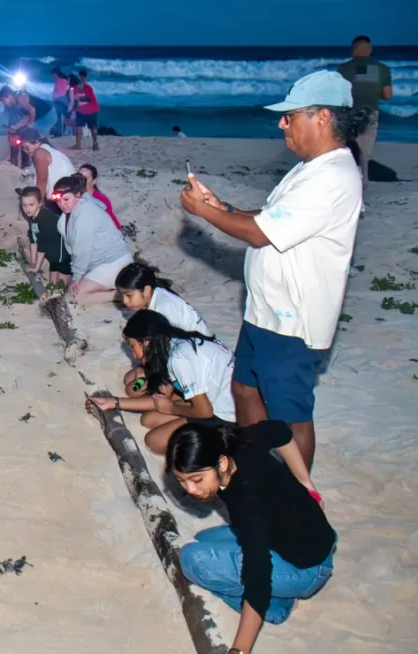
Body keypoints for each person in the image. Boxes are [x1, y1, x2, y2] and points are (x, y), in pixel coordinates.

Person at [179, 70, 366, 470]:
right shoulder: (310, 167)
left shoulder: (331, 177)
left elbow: (260, 234)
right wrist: (220, 205)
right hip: (265, 310)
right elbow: (269, 217)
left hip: (293, 321)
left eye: (290, 115)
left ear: (322, 118)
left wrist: (205, 213)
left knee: (290, 415)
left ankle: (298, 498)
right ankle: (258, 470)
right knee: (245, 389)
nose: (282, 122)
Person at [167, 421, 335, 653]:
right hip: (307, 536)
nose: (191, 490)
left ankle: (278, 608)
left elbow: (258, 581)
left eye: (196, 479)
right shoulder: (237, 440)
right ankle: (282, 591)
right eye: (181, 480)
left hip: (307, 567)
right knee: (203, 539)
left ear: (222, 463)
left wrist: (239, 650)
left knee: (193, 561)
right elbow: (281, 432)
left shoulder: (248, 504)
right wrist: (306, 483)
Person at [87, 310, 236, 453]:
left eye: (133, 347)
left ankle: (219, 447)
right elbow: (158, 400)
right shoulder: (174, 344)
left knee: (154, 441)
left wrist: (172, 408)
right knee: (148, 419)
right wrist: (113, 402)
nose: (133, 354)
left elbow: (204, 411)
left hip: (227, 416)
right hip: (216, 400)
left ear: (146, 342)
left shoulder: (179, 359)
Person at [116, 261, 211, 397]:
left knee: (133, 390)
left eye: (129, 295)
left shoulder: (165, 309)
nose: (124, 301)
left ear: (147, 291)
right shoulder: (157, 295)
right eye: (122, 295)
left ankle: (174, 394)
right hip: (174, 357)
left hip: (190, 364)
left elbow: (168, 352)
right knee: (130, 378)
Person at [52, 174, 133, 303]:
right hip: (95, 264)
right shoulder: (71, 211)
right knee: (72, 291)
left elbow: (82, 249)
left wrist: (77, 277)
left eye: (66, 199)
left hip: (112, 263)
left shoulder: (86, 211)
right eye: (58, 201)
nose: (62, 204)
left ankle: (122, 295)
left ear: (78, 194)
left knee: (74, 297)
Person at [337, 35, 393, 190]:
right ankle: (363, 180)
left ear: (353, 50)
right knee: (364, 152)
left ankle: (346, 180)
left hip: (348, 113)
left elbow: (337, 94)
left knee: (348, 150)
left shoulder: (343, 69)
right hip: (370, 112)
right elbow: (388, 95)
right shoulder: (382, 69)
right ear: (369, 50)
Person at [19, 186, 71, 286]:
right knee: (52, 286)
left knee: (60, 287)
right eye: (24, 205)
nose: (27, 209)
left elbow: (42, 246)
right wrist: (33, 263)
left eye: (31, 205)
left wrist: (36, 268)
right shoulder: (33, 218)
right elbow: (33, 240)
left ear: (40, 203)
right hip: (53, 258)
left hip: (63, 257)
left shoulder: (46, 218)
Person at [17, 128, 75, 195]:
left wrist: (38, 202)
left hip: (63, 194)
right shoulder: (48, 149)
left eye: (27, 148)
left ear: (37, 142)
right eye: (23, 149)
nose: (26, 151)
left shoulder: (39, 153)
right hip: (68, 191)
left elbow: (42, 181)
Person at [0, 85, 38, 168]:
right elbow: (13, 119)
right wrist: (11, 128)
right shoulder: (10, 106)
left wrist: (29, 125)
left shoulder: (21, 98)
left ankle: (25, 165)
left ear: (8, 96)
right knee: (14, 138)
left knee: (25, 140)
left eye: (3, 100)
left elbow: (31, 112)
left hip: (41, 117)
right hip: (26, 120)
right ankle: (14, 162)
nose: (3, 103)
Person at [77, 163, 121, 230]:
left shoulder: (100, 201)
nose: (81, 180)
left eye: (85, 178)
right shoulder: (73, 194)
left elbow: (111, 225)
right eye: (79, 176)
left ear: (94, 181)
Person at [72, 68, 100, 151]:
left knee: (89, 128)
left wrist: (77, 103)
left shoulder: (87, 88)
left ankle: (92, 144)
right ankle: (80, 144)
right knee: (82, 127)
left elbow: (87, 99)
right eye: (82, 77)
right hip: (85, 110)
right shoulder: (84, 87)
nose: (82, 79)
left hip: (90, 110)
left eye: (82, 77)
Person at [51, 68, 72, 137]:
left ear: (56, 74)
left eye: (53, 74)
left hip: (58, 100)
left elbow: (57, 92)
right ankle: (73, 132)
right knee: (67, 116)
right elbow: (67, 90)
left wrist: (54, 99)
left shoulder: (58, 81)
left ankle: (59, 133)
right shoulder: (66, 80)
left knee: (58, 117)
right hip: (65, 100)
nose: (53, 76)